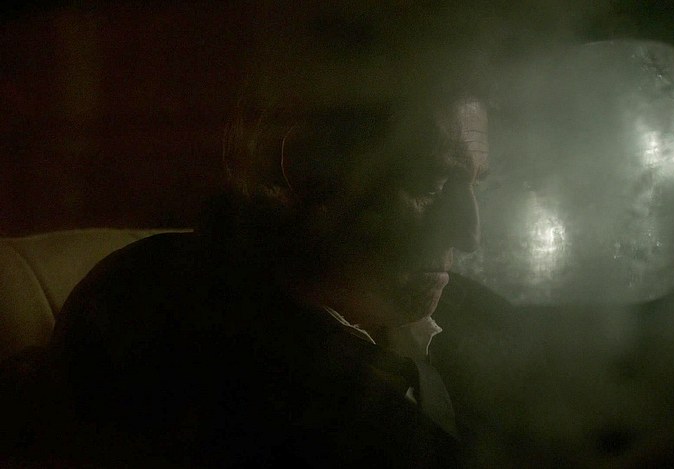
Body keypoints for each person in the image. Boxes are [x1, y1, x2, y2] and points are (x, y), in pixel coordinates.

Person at [0, 81, 526, 467]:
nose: (470, 235)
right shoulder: (162, 317)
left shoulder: (456, 308)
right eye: (429, 182)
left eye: (475, 184)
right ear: (309, 165)